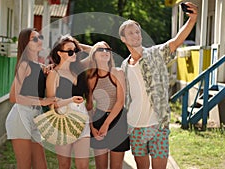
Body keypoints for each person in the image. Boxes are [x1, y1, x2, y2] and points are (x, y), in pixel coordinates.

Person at [119, 2, 198, 169]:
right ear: (123, 39)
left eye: (137, 32)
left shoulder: (156, 54)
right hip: (135, 126)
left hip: (158, 124)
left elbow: (176, 42)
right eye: (130, 33)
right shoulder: (125, 66)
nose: (136, 35)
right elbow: (101, 56)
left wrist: (192, 20)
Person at [5, 28, 56, 169]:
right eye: (34, 38)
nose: (39, 40)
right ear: (25, 44)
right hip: (21, 115)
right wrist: (42, 101)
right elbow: (13, 96)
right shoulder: (24, 65)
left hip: (35, 117)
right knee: (25, 165)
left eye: (40, 37)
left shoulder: (40, 66)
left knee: (41, 166)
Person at [46, 35, 90, 169]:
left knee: (83, 165)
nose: (74, 54)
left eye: (75, 51)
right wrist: (70, 100)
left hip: (82, 120)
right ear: (59, 53)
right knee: (64, 165)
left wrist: (77, 46)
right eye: (69, 51)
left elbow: (98, 51)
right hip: (62, 122)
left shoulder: (79, 68)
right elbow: (51, 104)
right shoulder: (54, 74)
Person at [86, 41, 130, 169]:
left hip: (118, 120)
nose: (105, 52)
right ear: (94, 55)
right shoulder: (90, 78)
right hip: (98, 119)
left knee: (116, 166)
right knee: (101, 166)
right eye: (101, 50)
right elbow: (89, 105)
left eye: (107, 49)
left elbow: (120, 101)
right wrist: (92, 126)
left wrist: (106, 124)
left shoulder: (118, 73)